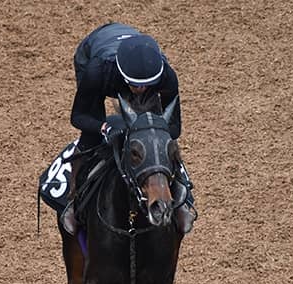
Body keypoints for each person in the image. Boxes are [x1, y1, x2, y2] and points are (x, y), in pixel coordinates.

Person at [62, 22, 195, 234]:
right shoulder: (97, 72)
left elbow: (174, 128)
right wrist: (104, 127)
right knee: (90, 139)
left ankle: (182, 199)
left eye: (145, 85)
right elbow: (78, 117)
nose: (140, 90)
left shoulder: (166, 76)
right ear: (124, 77)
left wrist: (153, 134)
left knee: (161, 142)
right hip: (95, 58)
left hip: (128, 62)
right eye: (134, 85)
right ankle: (73, 200)